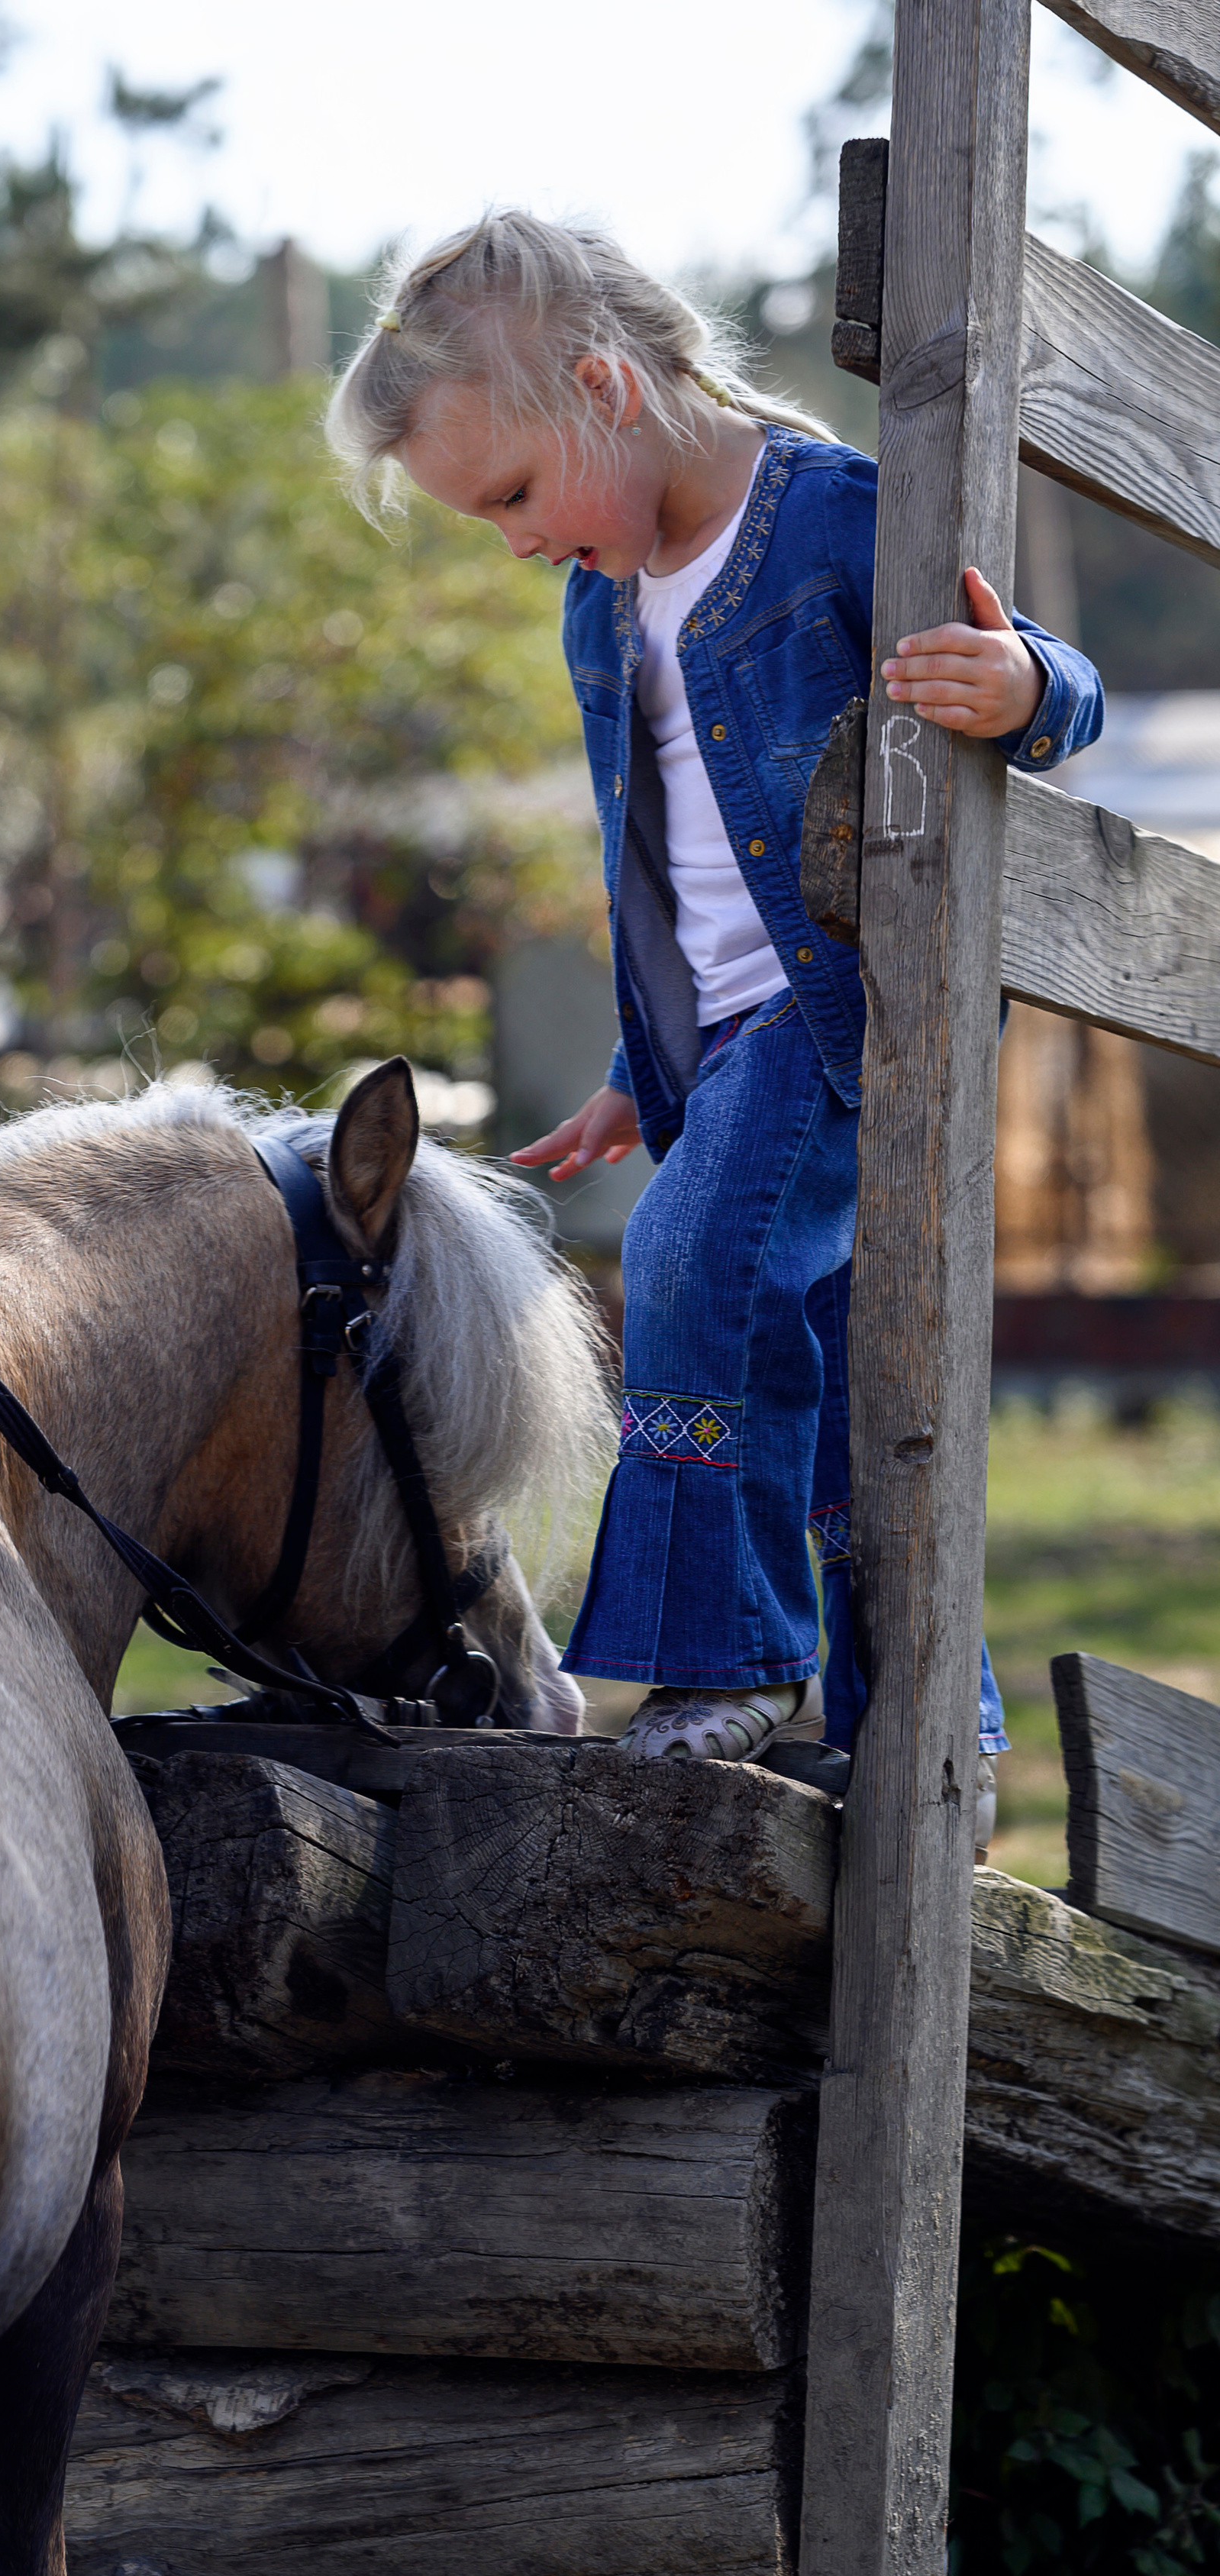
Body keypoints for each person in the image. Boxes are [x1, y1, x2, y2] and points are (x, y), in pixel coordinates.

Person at [325, 213, 1103, 1827]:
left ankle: (725, 1658)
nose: (519, 545)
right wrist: (634, 1060)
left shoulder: (834, 524)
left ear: (606, 387)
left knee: (684, 1258)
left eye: (515, 497)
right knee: (819, 1371)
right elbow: (660, 861)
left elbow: (1052, 681)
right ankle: (904, 1736)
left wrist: (1022, 688)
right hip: (722, 1047)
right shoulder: (599, 612)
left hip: (853, 1019)